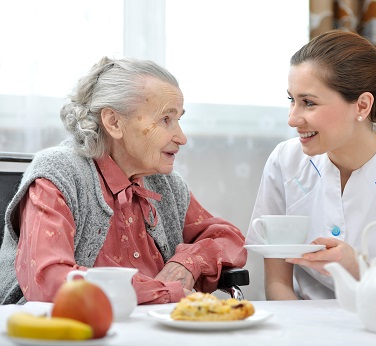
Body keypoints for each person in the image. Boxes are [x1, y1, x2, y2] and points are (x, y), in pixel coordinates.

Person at [0, 56, 247, 305]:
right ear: (114, 122)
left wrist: (188, 263)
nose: (181, 138)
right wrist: (164, 292)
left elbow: (230, 240)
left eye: (178, 120)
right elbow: (50, 281)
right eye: (165, 120)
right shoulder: (58, 175)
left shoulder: (166, 184)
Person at [247, 30, 376, 300]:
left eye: (308, 102)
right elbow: (278, 285)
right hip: (299, 326)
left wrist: (358, 267)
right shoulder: (284, 161)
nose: (293, 118)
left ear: (362, 106)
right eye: (291, 100)